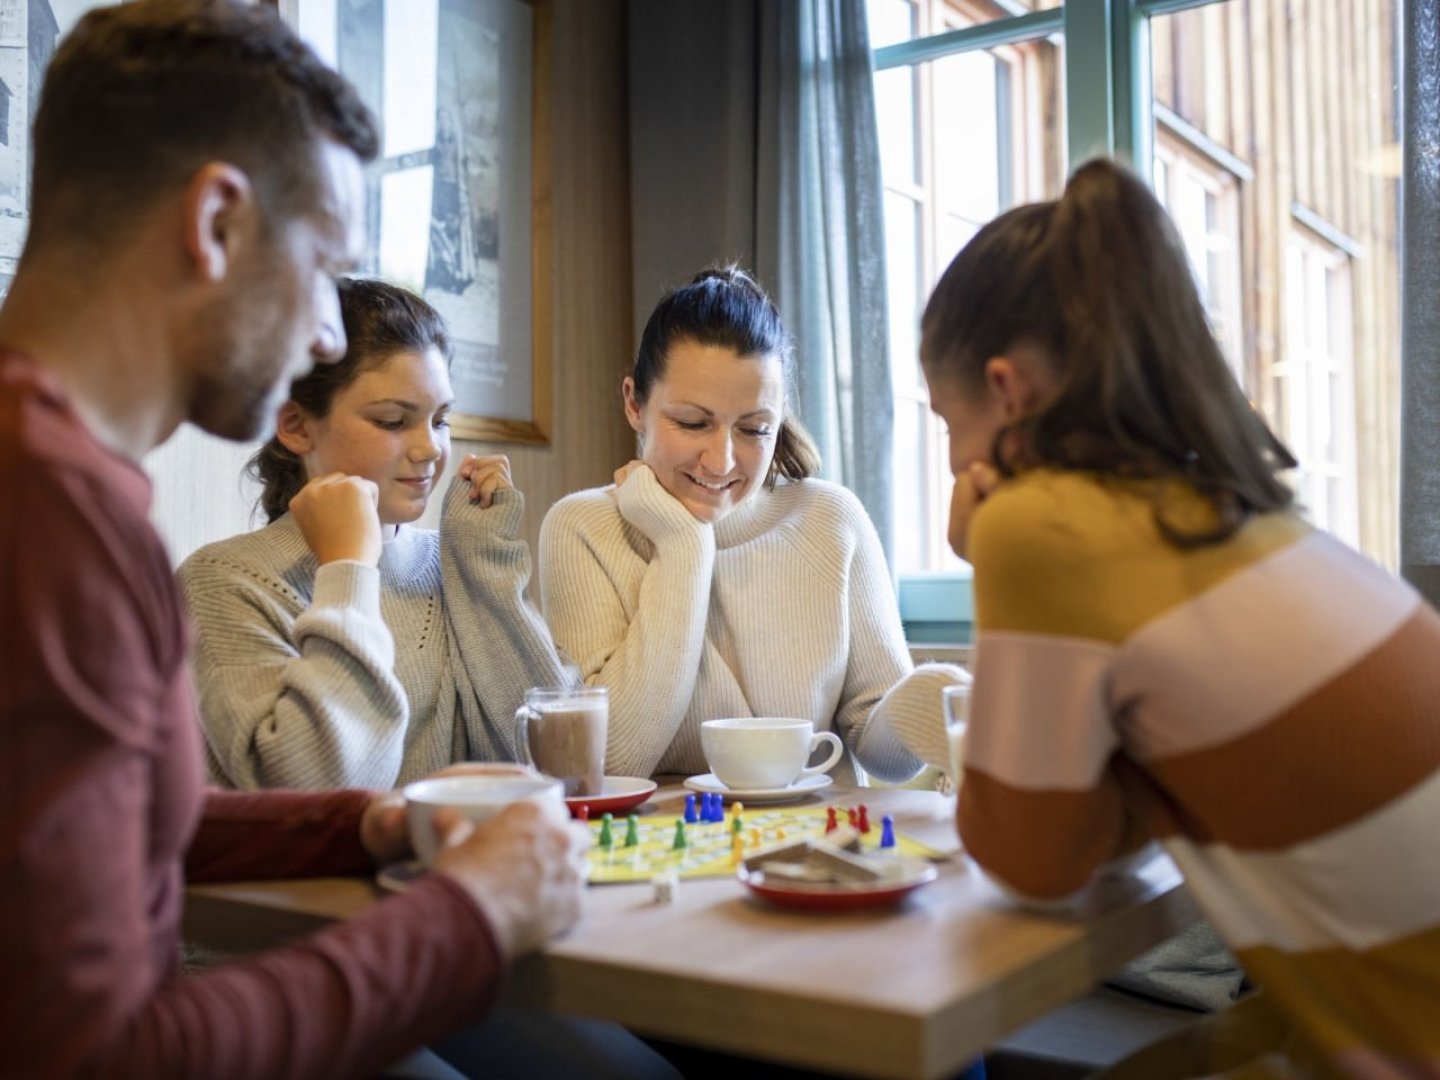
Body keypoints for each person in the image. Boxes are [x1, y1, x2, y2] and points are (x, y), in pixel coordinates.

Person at [0, 4, 674, 1077]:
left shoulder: (67, 490)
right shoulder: (51, 521)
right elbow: (98, 1055)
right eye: (322, 265)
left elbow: (133, 834)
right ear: (217, 222)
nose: (324, 330)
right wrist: (467, 918)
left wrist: (369, 826)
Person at [922, 158, 1440, 1072]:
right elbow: (1096, 827)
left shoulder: (1042, 527)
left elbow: (1034, 863)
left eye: (944, 423)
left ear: (1007, 393)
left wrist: (987, 545)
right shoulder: (1229, 508)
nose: (953, 456)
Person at [539, 266, 961, 783]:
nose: (720, 462)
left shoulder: (831, 521)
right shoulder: (582, 528)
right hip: (659, 857)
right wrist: (683, 545)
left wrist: (934, 695)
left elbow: (885, 757)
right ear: (634, 403)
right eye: (692, 423)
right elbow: (610, 763)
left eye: (754, 429)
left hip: (813, 855)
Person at [178, 277, 570, 791]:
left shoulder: (447, 564)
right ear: (295, 425)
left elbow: (554, 759)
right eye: (392, 421)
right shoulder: (224, 582)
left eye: (441, 419)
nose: (430, 448)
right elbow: (318, 792)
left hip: (458, 867)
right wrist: (349, 569)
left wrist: (482, 562)